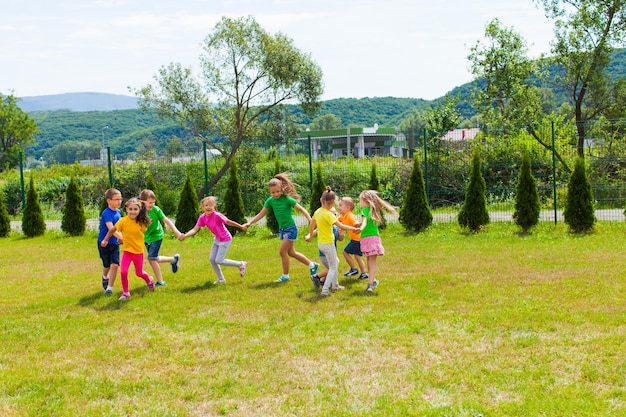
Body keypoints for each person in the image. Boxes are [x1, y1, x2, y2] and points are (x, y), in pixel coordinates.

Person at [245, 173, 319, 283]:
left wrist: (310, 220)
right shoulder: (270, 201)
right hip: (283, 230)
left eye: (278, 191)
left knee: (282, 252)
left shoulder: (287, 200)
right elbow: (261, 214)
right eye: (273, 192)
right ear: (270, 192)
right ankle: (312, 265)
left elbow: (302, 209)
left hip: (291, 229)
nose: (276, 194)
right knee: (291, 253)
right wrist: (249, 222)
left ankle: (285, 276)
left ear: (282, 189)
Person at [179, 196, 247, 284]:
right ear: (202, 207)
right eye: (206, 205)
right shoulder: (202, 217)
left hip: (225, 239)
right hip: (217, 239)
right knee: (212, 259)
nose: (208, 207)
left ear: (214, 206)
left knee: (219, 260)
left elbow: (228, 222)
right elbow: (195, 229)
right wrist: (185, 235)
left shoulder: (217, 215)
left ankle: (240, 264)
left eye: (210, 205)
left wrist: (241, 226)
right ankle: (221, 280)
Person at [305, 187, 358, 296]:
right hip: (328, 244)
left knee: (335, 263)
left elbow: (312, 224)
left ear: (321, 200)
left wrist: (310, 235)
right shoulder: (329, 215)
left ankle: (335, 286)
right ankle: (325, 290)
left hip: (321, 244)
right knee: (333, 268)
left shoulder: (318, 212)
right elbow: (341, 225)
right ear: (333, 202)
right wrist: (353, 228)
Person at [101, 198, 155, 300]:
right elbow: (113, 229)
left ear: (139, 210)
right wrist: (106, 240)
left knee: (139, 273)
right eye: (130, 209)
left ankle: (149, 280)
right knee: (123, 272)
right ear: (126, 209)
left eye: (135, 209)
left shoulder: (141, 223)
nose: (133, 211)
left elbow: (141, 233)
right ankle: (126, 292)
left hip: (138, 252)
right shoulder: (123, 221)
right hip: (127, 251)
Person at [356, 190, 396, 293]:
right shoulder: (374, 210)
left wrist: (361, 228)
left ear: (366, 201)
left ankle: (371, 282)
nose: (360, 202)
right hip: (373, 238)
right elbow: (365, 222)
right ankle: (371, 283)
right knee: (372, 261)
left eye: (361, 200)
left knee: (369, 260)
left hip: (365, 238)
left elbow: (364, 222)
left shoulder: (365, 210)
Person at [139, 189, 182, 287]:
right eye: (150, 203)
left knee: (151, 259)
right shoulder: (138, 211)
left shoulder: (156, 210)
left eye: (153, 202)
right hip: (146, 238)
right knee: (155, 258)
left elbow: (167, 221)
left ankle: (160, 282)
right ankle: (173, 259)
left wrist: (177, 232)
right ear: (142, 202)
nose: (152, 204)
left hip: (157, 236)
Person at [97, 188, 123, 295]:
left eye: (120, 199)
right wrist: (122, 238)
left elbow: (120, 227)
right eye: (116, 199)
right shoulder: (106, 213)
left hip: (115, 243)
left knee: (115, 264)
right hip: (104, 243)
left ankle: (109, 288)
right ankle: (104, 276)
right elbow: (111, 228)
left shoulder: (119, 212)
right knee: (107, 265)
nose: (119, 201)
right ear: (109, 200)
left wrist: (121, 237)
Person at [337, 196, 367, 280]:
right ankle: (364, 273)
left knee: (345, 252)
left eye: (340, 205)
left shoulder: (350, 216)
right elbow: (335, 220)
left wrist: (357, 223)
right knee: (357, 256)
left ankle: (353, 269)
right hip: (357, 240)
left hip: (356, 240)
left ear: (348, 208)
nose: (338, 207)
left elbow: (355, 221)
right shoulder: (343, 216)